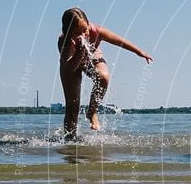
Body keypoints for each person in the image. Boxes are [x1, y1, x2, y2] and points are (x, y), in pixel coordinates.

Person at [57, 7, 152, 139]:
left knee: (103, 77)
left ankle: (92, 112)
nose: (83, 35)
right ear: (68, 31)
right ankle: (70, 141)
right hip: (70, 65)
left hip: (92, 56)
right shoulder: (65, 41)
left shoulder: (96, 31)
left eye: (85, 30)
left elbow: (119, 41)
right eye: (77, 33)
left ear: (88, 24)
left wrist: (139, 52)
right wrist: (79, 52)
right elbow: (70, 68)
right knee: (72, 107)